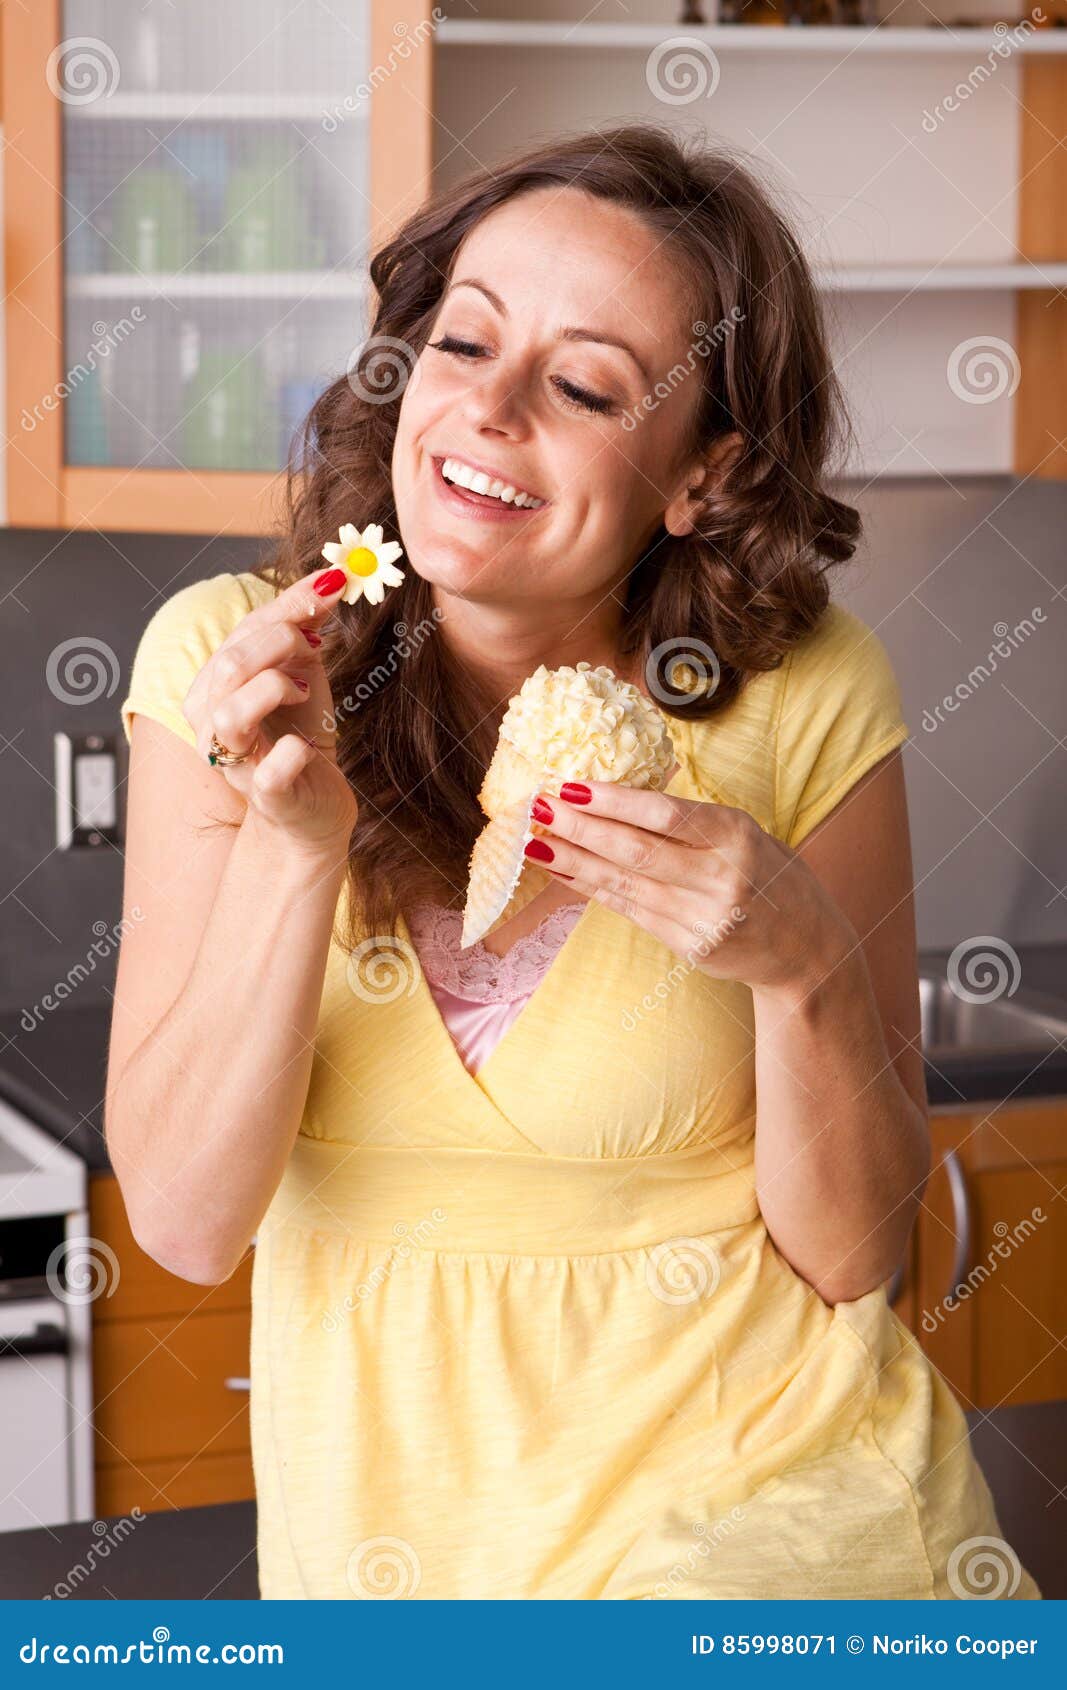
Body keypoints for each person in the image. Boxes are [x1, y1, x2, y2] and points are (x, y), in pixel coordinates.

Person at [107, 125, 1040, 1601]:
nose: (485, 409)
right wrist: (296, 853)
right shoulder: (231, 668)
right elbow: (184, 1219)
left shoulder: (798, 689)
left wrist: (805, 971)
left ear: (699, 471)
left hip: (776, 1536)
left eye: (586, 384)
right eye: (463, 342)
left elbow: (862, 1255)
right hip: (395, 1572)